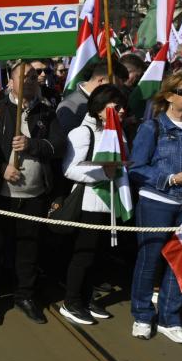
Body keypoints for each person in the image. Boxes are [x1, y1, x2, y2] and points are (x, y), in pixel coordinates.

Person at [128, 70, 182, 344]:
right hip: (158, 202)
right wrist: (172, 179)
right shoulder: (152, 127)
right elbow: (136, 169)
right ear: (169, 96)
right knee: (149, 260)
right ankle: (142, 315)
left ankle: (169, 317)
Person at [0, 61, 64, 324]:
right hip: (0, 196)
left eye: (34, 77)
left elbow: (58, 147)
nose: (29, 80)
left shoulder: (47, 114)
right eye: (23, 76)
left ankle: (24, 295)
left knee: (28, 248)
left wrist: (32, 144)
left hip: (34, 195)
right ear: (10, 82)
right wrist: (0, 168)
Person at [59, 85, 131, 326]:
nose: (122, 111)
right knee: (83, 255)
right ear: (100, 109)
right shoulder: (82, 133)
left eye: (123, 107)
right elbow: (69, 169)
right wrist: (103, 172)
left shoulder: (118, 133)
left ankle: (87, 297)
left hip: (112, 204)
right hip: (90, 203)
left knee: (101, 255)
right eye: (116, 107)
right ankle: (71, 301)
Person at [55, 57, 109, 134]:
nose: (113, 89)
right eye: (111, 85)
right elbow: (66, 139)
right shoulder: (70, 105)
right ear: (101, 80)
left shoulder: (101, 100)